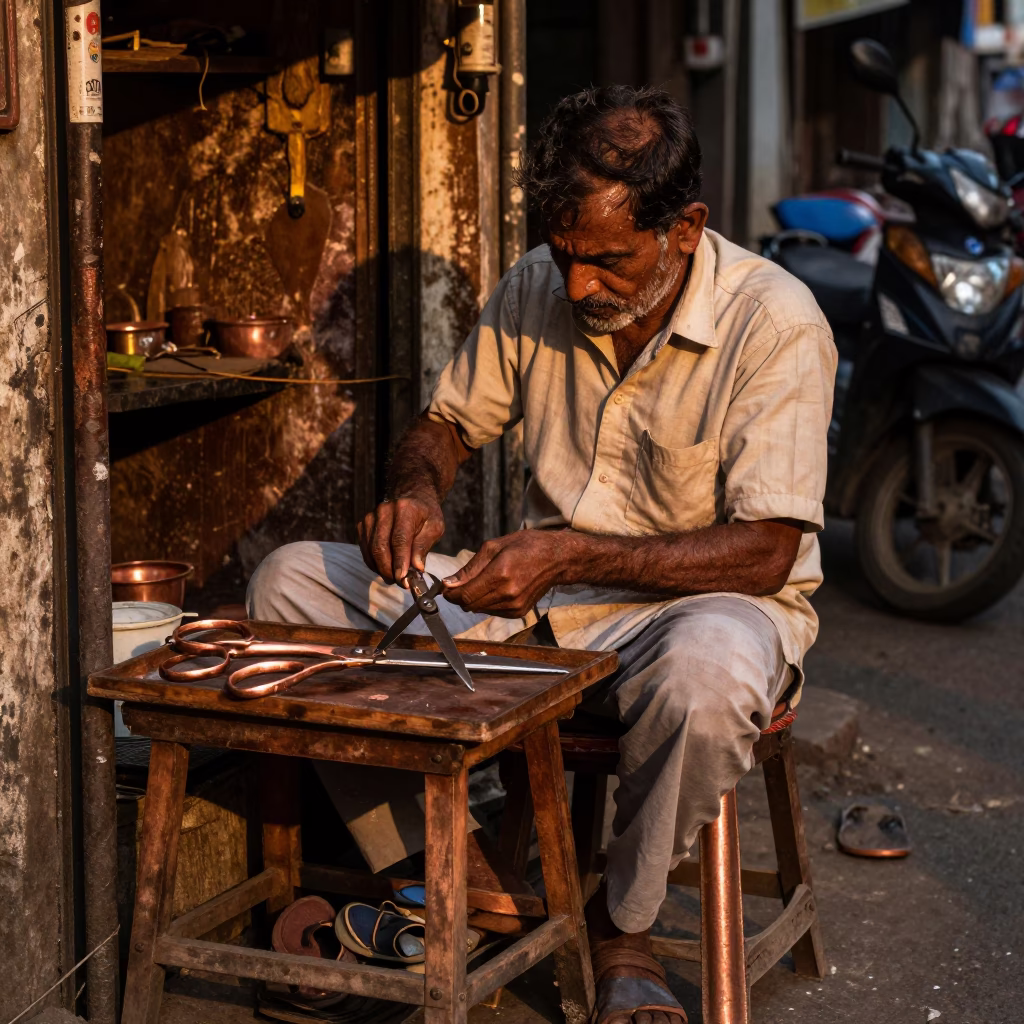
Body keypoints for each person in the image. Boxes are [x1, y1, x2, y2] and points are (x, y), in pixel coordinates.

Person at [249, 84, 836, 1024]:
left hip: (693, 614)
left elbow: (767, 552)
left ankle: (621, 925)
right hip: (530, 612)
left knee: (712, 671)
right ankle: (465, 880)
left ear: (685, 228)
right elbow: (446, 423)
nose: (576, 287)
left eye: (607, 260)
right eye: (566, 256)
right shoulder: (536, 281)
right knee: (288, 587)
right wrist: (416, 489)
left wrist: (564, 554)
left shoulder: (776, 323)